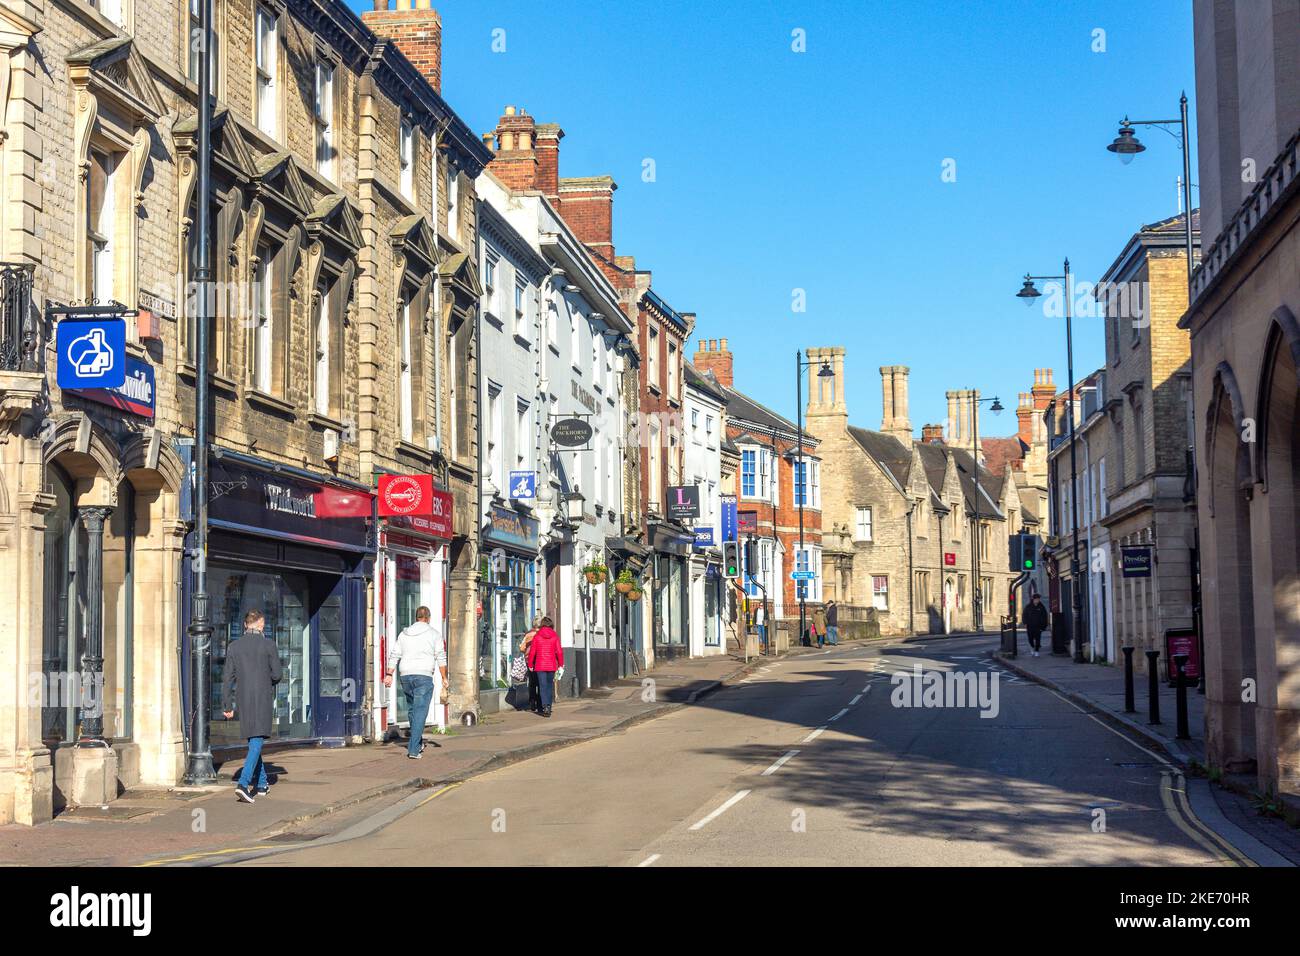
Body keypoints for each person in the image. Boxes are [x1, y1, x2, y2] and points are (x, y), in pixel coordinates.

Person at [222, 609, 282, 804]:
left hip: (243, 699)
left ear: (246, 624)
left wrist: (227, 704)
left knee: (253, 740)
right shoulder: (269, 645)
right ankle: (243, 783)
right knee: (256, 741)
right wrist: (265, 680)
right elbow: (277, 675)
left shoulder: (234, 647)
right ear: (261, 624)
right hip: (262, 698)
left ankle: (262, 783)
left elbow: (227, 679)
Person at [384, 606, 447, 759]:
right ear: (428, 618)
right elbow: (441, 657)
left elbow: (394, 654)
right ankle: (413, 749)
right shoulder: (434, 634)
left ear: (416, 617)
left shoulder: (403, 634)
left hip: (405, 675)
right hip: (423, 676)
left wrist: (389, 674)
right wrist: (444, 677)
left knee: (412, 710)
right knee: (420, 712)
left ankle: (417, 742)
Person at [526, 616, 563, 718]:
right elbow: (559, 652)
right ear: (551, 625)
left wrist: (530, 664)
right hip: (551, 665)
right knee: (549, 686)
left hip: (540, 665)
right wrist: (560, 664)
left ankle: (545, 706)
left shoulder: (537, 637)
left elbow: (532, 652)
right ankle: (549, 707)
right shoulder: (555, 636)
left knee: (542, 686)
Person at [518, 616, 543, 713]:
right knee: (540, 682)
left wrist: (527, 651)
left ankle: (532, 702)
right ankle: (540, 703)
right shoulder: (542, 634)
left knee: (532, 682)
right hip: (540, 661)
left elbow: (522, 647)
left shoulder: (528, 634)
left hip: (529, 661)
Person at [1024, 593, 1049, 657]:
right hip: (1030, 626)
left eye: (1038, 599)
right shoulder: (1028, 607)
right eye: (1036, 599)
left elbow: (1044, 616)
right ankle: (1032, 647)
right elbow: (1024, 615)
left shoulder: (1041, 607)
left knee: (1038, 639)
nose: (1037, 600)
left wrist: (1044, 626)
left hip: (1038, 626)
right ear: (1033, 599)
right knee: (1030, 638)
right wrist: (1025, 623)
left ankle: (1037, 651)